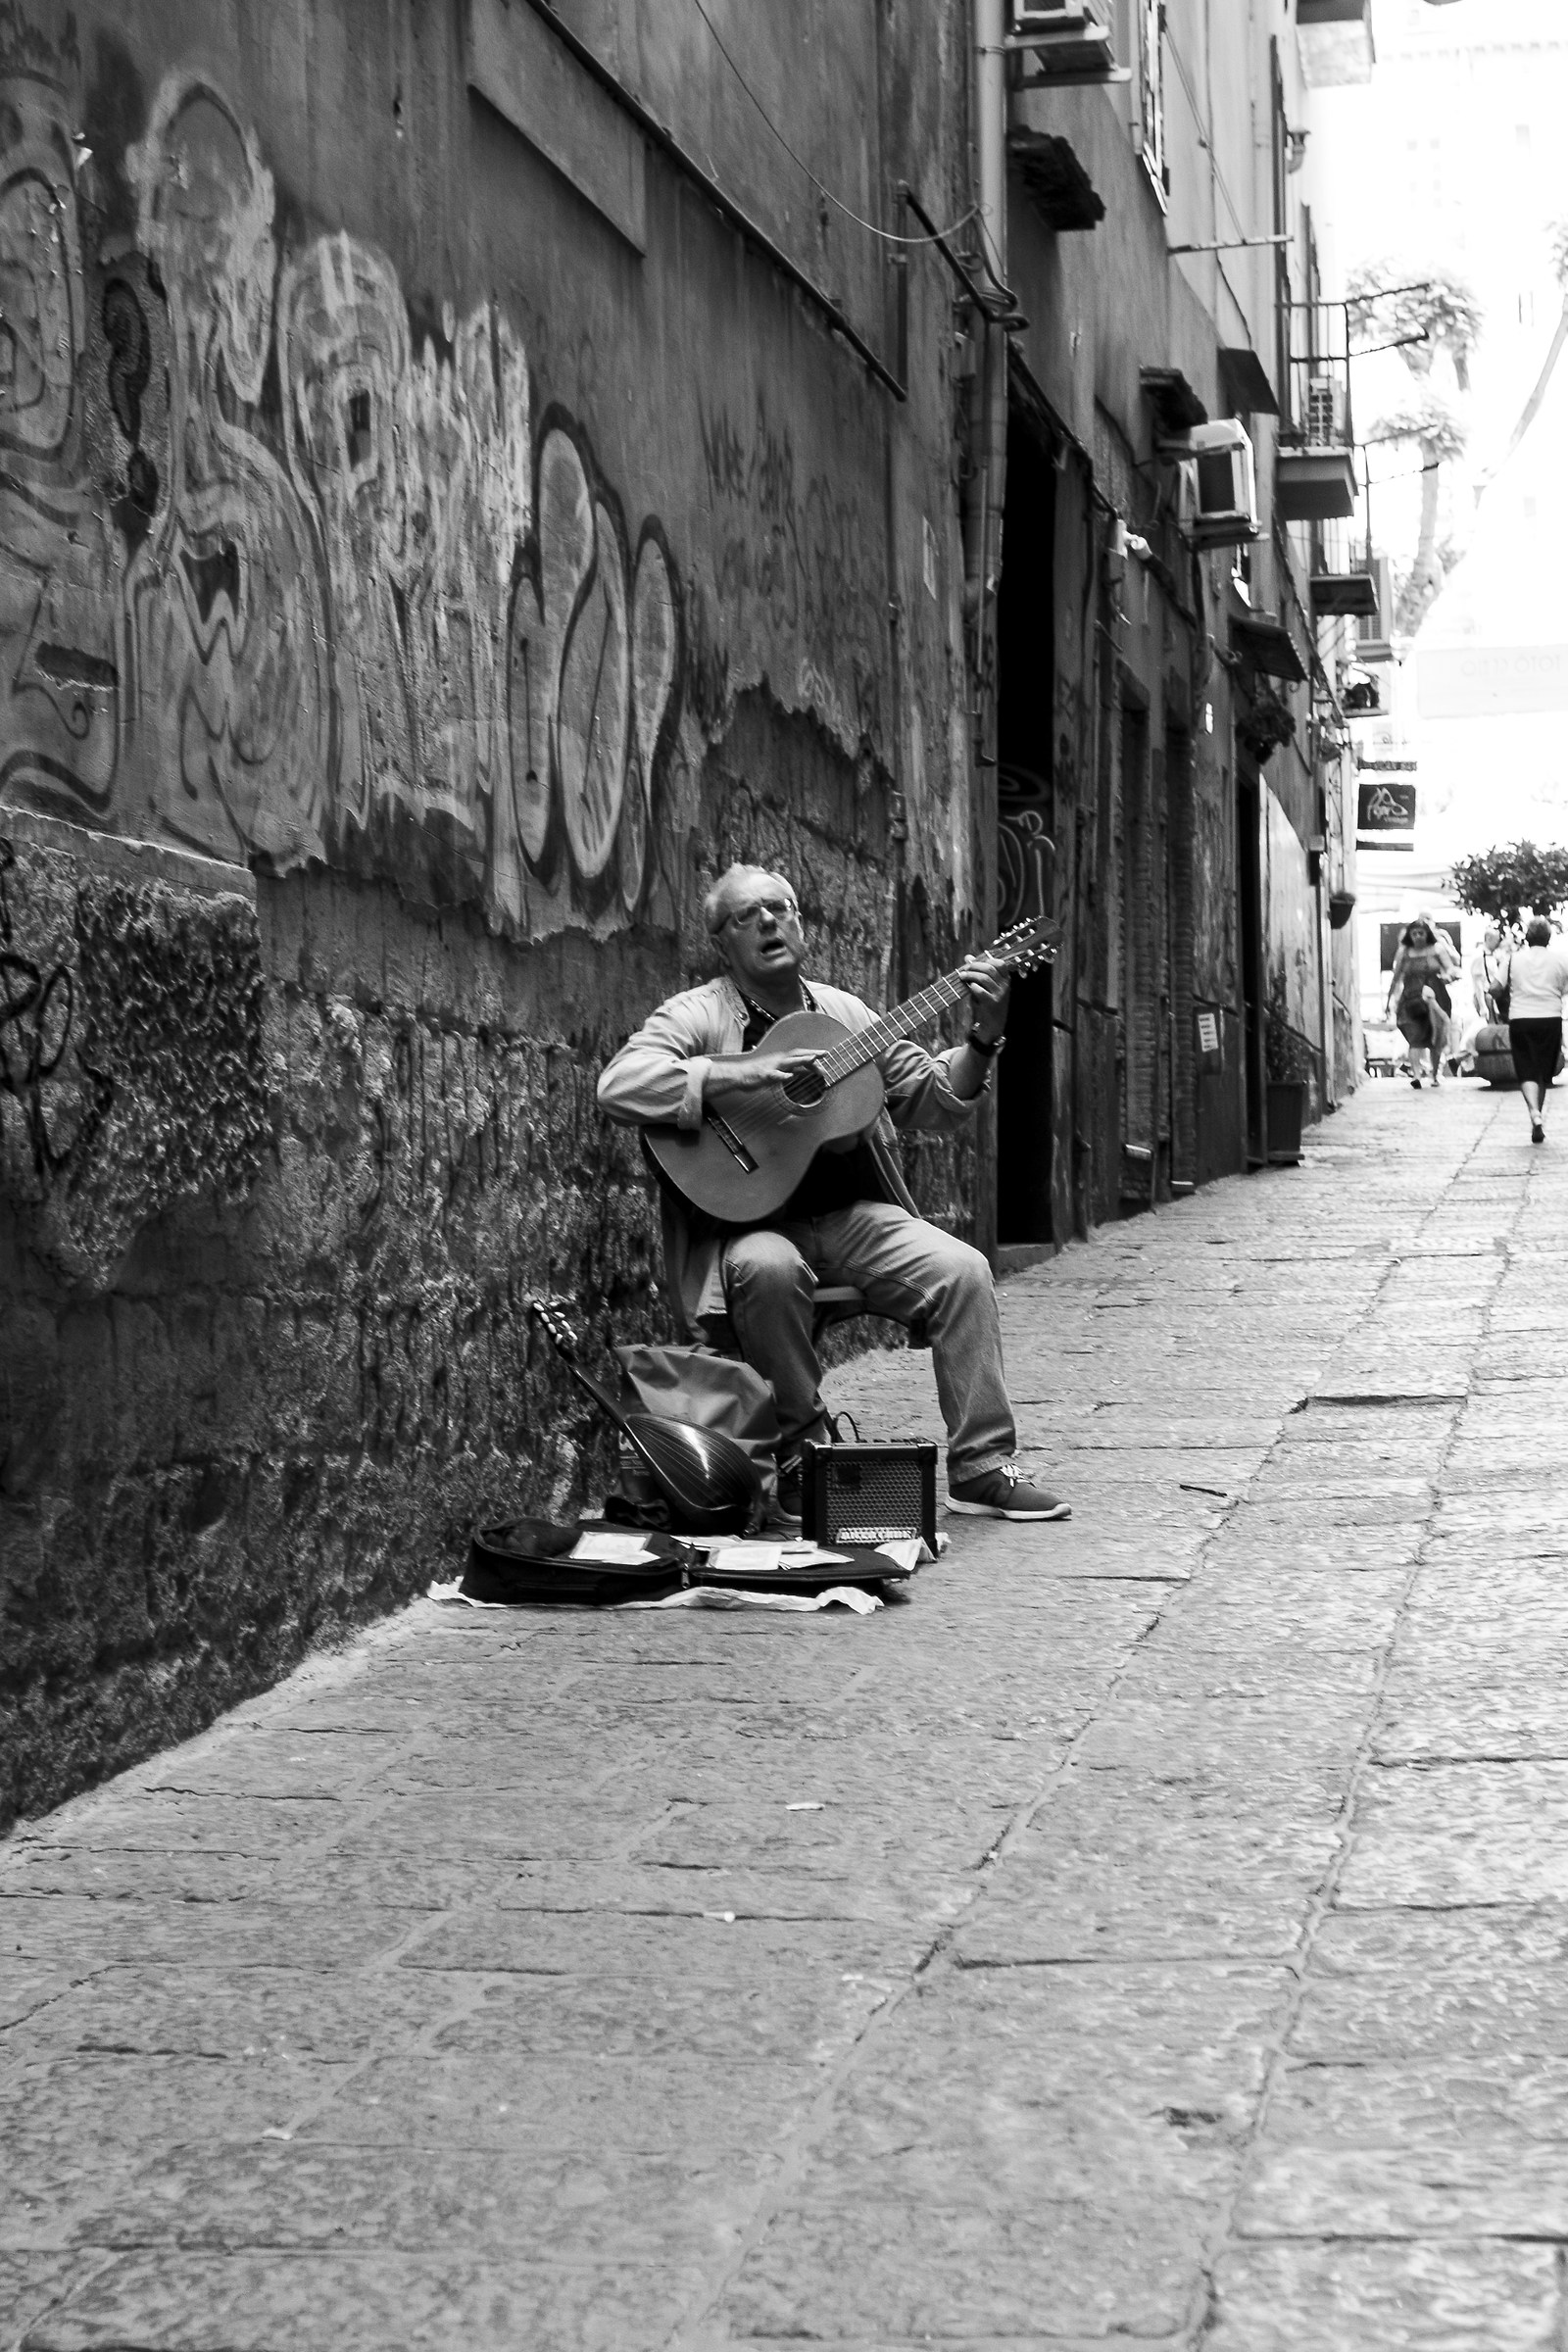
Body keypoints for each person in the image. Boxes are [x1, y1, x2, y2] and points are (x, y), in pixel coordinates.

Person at [597, 862, 1070, 1522]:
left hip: (851, 1217)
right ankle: (804, 1451)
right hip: (748, 1229)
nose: (768, 921)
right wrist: (743, 1074)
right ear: (722, 943)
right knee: (766, 1269)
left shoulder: (845, 1014)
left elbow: (934, 1098)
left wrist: (985, 1035)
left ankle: (984, 1467)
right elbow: (619, 1087)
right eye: (747, 915)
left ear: (800, 925)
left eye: (781, 908)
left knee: (963, 1270)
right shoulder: (697, 1014)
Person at [1501, 916, 1568, 1144]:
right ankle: (1536, 1117)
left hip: (1521, 1018)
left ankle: (1534, 1113)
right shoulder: (1560, 960)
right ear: (1548, 937)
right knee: (1542, 1071)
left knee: (1526, 1067)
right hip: (1550, 1018)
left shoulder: (1513, 959)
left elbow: (1496, 987)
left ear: (1527, 937)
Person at [1386, 913, 1462, 1089]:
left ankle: (1435, 1074)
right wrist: (1389, 1000)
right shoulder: (1404, 952)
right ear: (1409, 935)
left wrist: (1447, 977)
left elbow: (1451, 969)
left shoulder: (1437, 949)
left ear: (1427, 933)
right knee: (1415, 1036)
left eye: (1421, 933)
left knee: (1437, 1036)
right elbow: (1396, 977)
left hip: (1436, 998)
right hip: (1410, 999)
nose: (1418, 936)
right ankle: (1417, 1076)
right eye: (1414, 934)